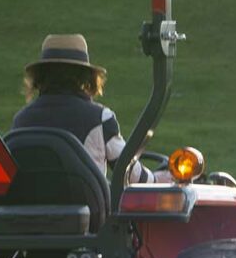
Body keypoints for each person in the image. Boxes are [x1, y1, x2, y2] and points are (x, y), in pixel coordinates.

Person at [10, 34, 158, 183]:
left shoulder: (21, 120)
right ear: (85, 76)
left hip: (32, 198)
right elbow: (131, 173)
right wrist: (157, 179)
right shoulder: (100, 118)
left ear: (40, 76)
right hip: (85, 198)